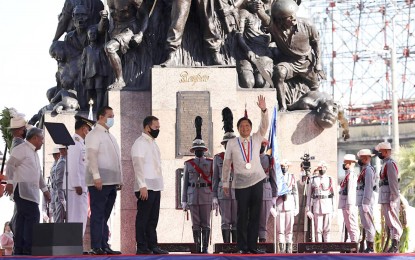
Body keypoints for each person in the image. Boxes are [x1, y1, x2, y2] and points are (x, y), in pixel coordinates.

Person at [254, 0, 324, 111]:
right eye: (289, 17)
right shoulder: (275, 27)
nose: (293, 18)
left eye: (294, 15)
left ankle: (316, 108)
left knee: (315, 86)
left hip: (306, 63)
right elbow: (264, 17)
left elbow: (317, 44)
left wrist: (318, 63)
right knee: (279, 72)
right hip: (289, 63)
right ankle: (283, 106)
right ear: (281, 20)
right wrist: (259, 9)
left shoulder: (308, 25)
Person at [222, 95, 269, 254]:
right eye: (242, 126)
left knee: (255, 215)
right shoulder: (232, 143)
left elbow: (264, 125)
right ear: (238, 128)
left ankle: (252, 247)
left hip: (257, 181)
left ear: (250, 127)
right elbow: (227, 163)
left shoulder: (256, 138)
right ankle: (242, 247)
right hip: (241, 184)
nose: (244, 128)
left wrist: (263, 110)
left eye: (247, 126)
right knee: (242, 216)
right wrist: (225, 183)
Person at [4, 127, 51, 255]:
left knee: (21, 220)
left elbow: (38, 174)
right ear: (35, 138)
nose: (42, 142)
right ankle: (27, 249)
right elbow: (10, 165)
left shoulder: (34, 153)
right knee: (33, 217)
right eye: (41, 139)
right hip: (23, 190)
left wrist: (45, 190)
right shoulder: (22, 149)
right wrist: (9, 182)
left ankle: (20, 249)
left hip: (32, 192)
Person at [86, 106, 122, 255]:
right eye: (110, 115)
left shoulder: (110, 135)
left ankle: (103, 244)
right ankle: (96, 246)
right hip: (100, 180)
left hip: (111, 180)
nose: (112, 118)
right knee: (98, 213)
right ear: (101, 116)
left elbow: (116, 160)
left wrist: (119, 179)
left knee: (105, 215)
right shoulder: (94, 134)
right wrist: (96, 176)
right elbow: (92, 156)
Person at [131, 116, 168, 255]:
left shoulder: (153, 143)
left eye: (158, 127)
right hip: (146, 186)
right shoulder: (140, 143)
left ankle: (152, 245)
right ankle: (141, 246)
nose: (158, 130)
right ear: (147, 127)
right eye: (156, 127)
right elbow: (138, 165)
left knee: (153, 219)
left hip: (156, 185)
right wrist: (142, 185)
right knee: (143, 217)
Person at [101, 0, 149, 90]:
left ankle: (120, 80)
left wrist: (140, 34)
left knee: (110, 47)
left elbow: (145, 16)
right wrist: (103, 18)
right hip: (115, 29)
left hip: (130, 29)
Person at [182, 116, 213, 253]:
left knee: (206, 223)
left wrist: (215, 197)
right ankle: (197, 248)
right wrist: (183, 200)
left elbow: (214, 180)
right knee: (195, 224)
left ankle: (205, 247)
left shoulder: (211, 163)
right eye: (197, 149)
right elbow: (185, 183)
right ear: (194, 151)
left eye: (201, 149)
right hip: (193, 195)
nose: (199, 151)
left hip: (206, 196)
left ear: (204, 150)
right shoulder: (188, 164)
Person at [65, 115, 95, 236]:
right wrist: (77, 184)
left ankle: (77, 245)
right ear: (84, 128)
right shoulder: (74, 143)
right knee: (76, 218)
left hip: (81, 187)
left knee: (81, 217)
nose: (89, 132)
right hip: (76, 188)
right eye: (88, 129)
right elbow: (73, 165)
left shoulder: (81, 144)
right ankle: (74, 247)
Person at [212, 107, 237, 243]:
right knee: (226, 221)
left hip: (238, 191)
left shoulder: (242, 157)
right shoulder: (218, 158)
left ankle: (236, 248)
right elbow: (215, 178)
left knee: (237, 221)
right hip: (224, 192)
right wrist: (214, 196)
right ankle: (227, 248)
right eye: (226, 144)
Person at [236, 0, 274, 89]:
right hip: (246, 55)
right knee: (248, 82)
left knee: (262, 82)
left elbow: (269, 24)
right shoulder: (244, 13)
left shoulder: (269, 16)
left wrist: (261, 13)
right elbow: (239, 35)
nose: (257, 2)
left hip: (263, 55)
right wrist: (247, 50)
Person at [375, 142, 403, 253]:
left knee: (393, 220)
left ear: (386, 151)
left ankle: (395, 244)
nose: (380, 154)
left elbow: (393, 182)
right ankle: (393, 243)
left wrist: (394, 198)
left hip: (390, 197)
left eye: (381, 152)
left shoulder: (390, 163)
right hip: (385, 196)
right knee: (389, 221)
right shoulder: (385, 163)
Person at [305, 161, 335, 243]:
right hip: (317, 205)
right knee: (318, 229)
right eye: (320, 168)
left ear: (326, 168)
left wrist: (334, 209)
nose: (322, 169)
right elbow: (309, 195)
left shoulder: (330, 179)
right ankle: (319, 249)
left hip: (328, 205)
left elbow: (333, 195)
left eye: (324, 167)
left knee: (327, 229)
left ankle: (327, 248)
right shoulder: (313, 179)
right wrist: (308, 209)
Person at [81, 26, 109, 110]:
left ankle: (99, 108)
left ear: (97, 35)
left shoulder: (101, 48)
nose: (92, 35)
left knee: (99, 90)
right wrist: (82, 75)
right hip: (89, 73)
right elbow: (83, 63)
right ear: (88, 36)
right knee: (89, 90)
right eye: (90, 34)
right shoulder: (86, 49)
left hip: (99, 72)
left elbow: (104, 61)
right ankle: (90, 107)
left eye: (94, 34)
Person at [275, 159, 298, 253]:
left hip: (290, 204)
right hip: (279, 204)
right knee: (280, 229)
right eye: (282, 167)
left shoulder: (292, 177)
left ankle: (289, 246)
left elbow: (295, 192)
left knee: (289, 228)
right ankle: (281, 248)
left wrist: (296, 207)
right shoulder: (277, 177)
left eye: (285, 166)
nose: (284, 168)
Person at [356, 148, 377, 253]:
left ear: (365, 158)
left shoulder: (368, 170)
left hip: (366, 201)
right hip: (362, 200)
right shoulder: (364, 170)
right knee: (366, 224)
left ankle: (371, 247)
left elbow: (368, 187)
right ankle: (368, 246)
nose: (359, 160)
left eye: (360, 158)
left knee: (369, 225)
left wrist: (366, 202)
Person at [258, 141, 277, 243]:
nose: (261, 147)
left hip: (266, 190)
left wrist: (274, 195)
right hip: (253, 189)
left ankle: (262, 243)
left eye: (263, 146)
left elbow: (273, 177)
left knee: (263, 220)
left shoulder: (269, 159)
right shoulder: (251, 158)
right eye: (260, 145)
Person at [338, 154, 360, 243]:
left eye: (345, 162)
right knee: (349, 224)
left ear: (350, 163)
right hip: (345, 203)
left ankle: (354, 242)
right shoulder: (347, 175)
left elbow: (351, 191)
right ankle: (352, 241)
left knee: (352, 224)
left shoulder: (352, 175)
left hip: (349, 204)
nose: (343, 164)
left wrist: (350, 205)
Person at [52, 145, 68, 223]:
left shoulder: (63, 161)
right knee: (59, 222)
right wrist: (62, 199)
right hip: (61, 197)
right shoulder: (62, 162)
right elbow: (59, 182)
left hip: (61, 196)